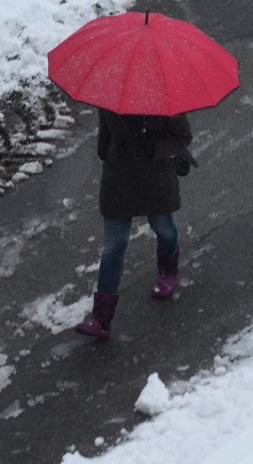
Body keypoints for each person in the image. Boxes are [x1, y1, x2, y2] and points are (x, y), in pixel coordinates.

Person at [75, 108, 196, 340]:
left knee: (163, 227)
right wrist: (108, 153)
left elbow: (183, 138)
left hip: (156, 177)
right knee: (114, 245)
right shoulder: (111, 94)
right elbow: (105, 136)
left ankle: (168, 269)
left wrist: (153, 148)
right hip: (118, 179)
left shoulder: (165, 99)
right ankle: (101, 319)